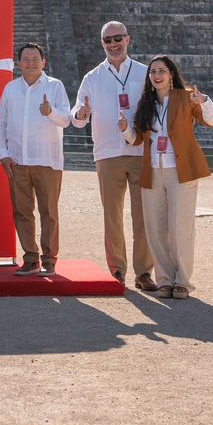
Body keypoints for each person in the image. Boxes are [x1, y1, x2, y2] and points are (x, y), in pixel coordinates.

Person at [120, 55, 213, 299]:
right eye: (153, 71)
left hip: (180, 171)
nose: (157, 75)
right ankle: (164, 280)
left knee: (180, 227)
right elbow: (138, 139)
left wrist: (204, 101)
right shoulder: (146, 103)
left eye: (161, 70)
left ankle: (182, 281)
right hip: (152, 171)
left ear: (171, 74)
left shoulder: (187, 97)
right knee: (155, 229)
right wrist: (125, 130)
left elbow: (211, 121)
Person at [71, 21, 156, 290]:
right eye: (108, 40)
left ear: (127, 39)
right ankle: (117, 269)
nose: (113, 44)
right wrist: (81, 113)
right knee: (112, 216)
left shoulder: (144, 72)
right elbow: (77, 116)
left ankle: (144, 272)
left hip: (140, 150)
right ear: (102, 44)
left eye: (117, 38)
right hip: (107, 153)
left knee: (144, 215)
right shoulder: (92, 77)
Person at [0, 42, 72, 276]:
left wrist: (51, 112)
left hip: (47, 161)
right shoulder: (10, 88)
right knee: (22, 212)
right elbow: (0, 123)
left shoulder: (55, 86)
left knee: (49, 213)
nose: (30, 63)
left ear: (43, 62)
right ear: (19, 63)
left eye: (35, 59)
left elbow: (66, 120)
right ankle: (30, 258)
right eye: (26, 59)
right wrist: (3, 154)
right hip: (17, 161)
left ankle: (49, 259)